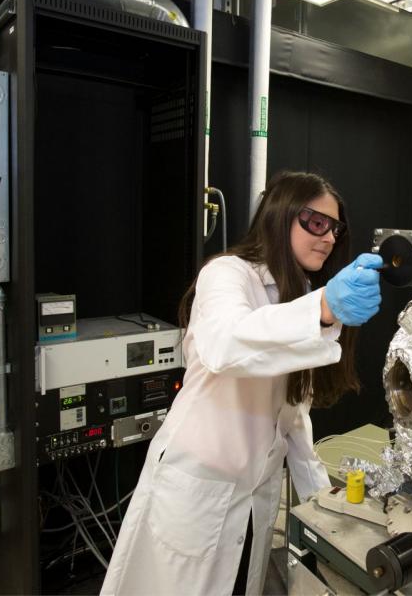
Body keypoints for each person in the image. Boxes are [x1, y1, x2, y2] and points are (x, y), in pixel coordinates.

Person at [100, 171, 384, 596]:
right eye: (316, 222)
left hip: (254, 500)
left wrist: (324, 508)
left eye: (335, 228)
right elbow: (223, 345)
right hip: (197, 489)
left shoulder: (298, 292)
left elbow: (292, 417)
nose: (328, 237)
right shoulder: (228, 273)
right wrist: (321, 308)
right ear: (279, 215)